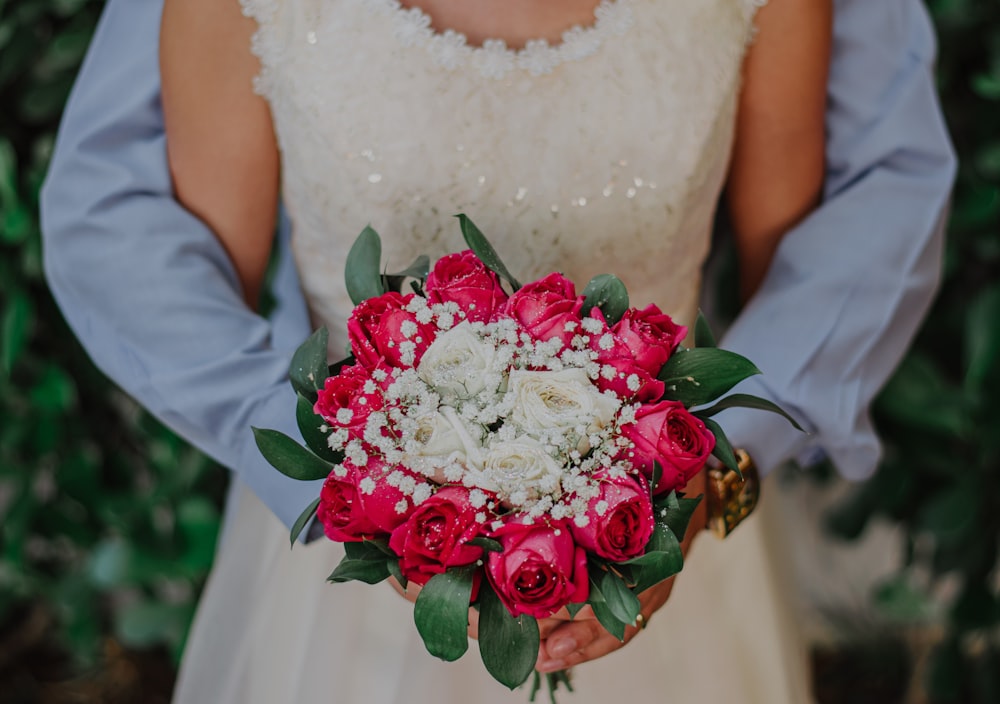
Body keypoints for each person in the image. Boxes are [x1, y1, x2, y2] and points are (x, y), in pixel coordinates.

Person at [40, 0, 955, 702]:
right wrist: (349, 485)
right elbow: (172, 266)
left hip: (664, 549)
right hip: (344, 587)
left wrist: (705, 480)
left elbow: (815, 249)